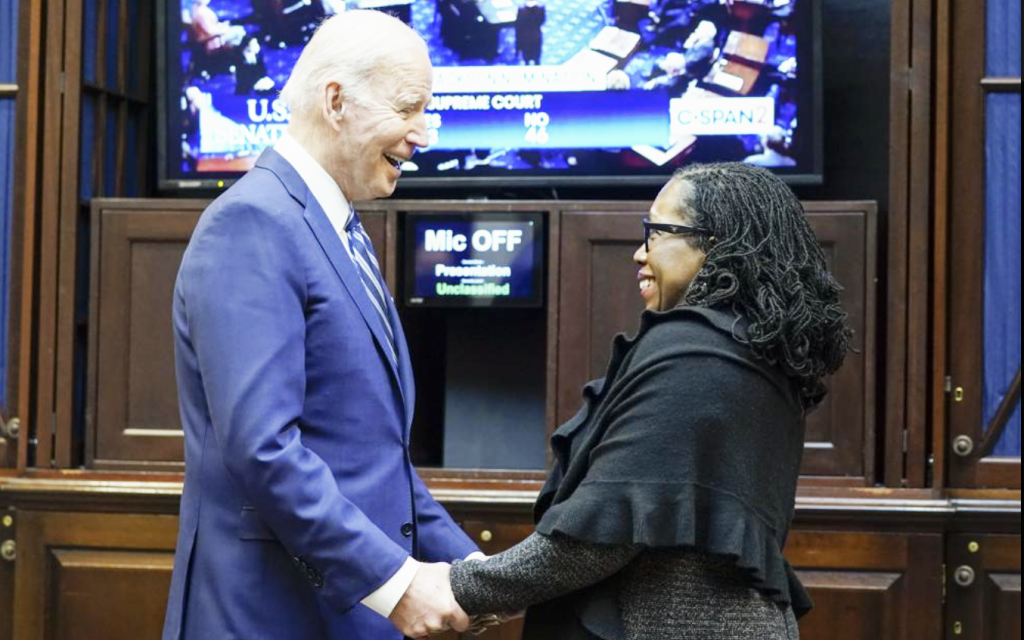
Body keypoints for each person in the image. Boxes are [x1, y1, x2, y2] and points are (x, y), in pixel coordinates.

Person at [162, 11, 481, 640]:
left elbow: (368, 453)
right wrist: (395, 584)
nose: (424, 132)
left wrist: (474, 571)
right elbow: (265, 450)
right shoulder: (253, 223)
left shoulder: (338, 229)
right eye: (410, 107)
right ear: (336, 102)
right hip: (270, 618)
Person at [449, 162, 852, 639]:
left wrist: (461, 587)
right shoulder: (751, 353)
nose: (639, 253)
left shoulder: (695, 353)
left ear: (717, 242)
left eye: (657, 232)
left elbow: (601, 536)